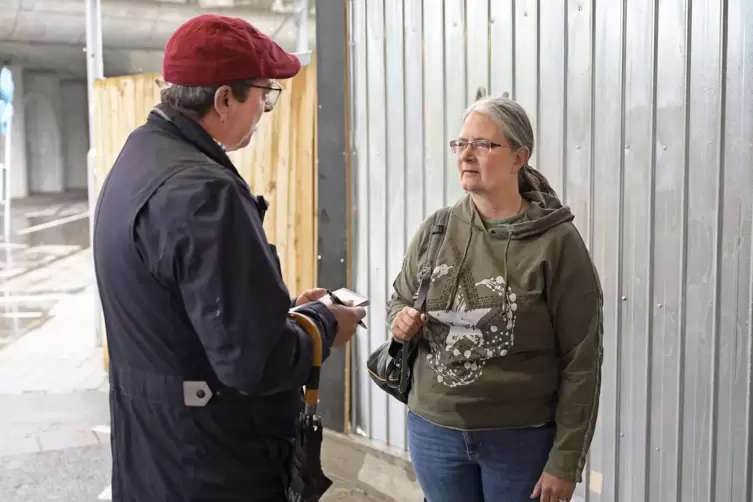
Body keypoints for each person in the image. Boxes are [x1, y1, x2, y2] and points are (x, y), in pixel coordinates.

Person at [92, 14, 366, 501]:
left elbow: (183, 316)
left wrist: (282, 317)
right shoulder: (205, 193)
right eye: (264, 95)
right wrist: (325, 326)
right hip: (213, 465)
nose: (264, 109)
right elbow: (254, 363)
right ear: (224, 99)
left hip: (153, 455)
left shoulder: (138, 158)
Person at [387, 91, 603, 502]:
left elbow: (582, 359)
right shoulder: (438, 229)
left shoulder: (556, 243)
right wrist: (400, 320)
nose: (467, 154)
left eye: (483, 144)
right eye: (461, 143)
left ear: (519, 157)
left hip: (520, 441)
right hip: (434, 432)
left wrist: (565, 461)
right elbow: (399, 297)